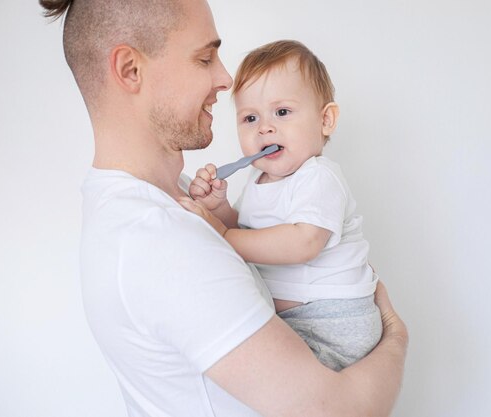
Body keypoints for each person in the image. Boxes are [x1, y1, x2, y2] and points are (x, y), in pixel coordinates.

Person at [40, 0, 408, 416]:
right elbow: (340, 412)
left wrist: (222, 217)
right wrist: (396, 339)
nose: (225, 78)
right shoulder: (158, 235)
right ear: (130, 70)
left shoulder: (167, 202)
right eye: (204, 57)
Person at [182, 40, 382, 371]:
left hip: (332, 321)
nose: (265, 127)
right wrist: (220, 210)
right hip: (295, 321)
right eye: (249, 118)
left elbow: (302, 243)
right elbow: (250, 232)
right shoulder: (258, 181)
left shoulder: (317, 177)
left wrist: (222, 234)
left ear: (326, 120)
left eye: (282, 112)